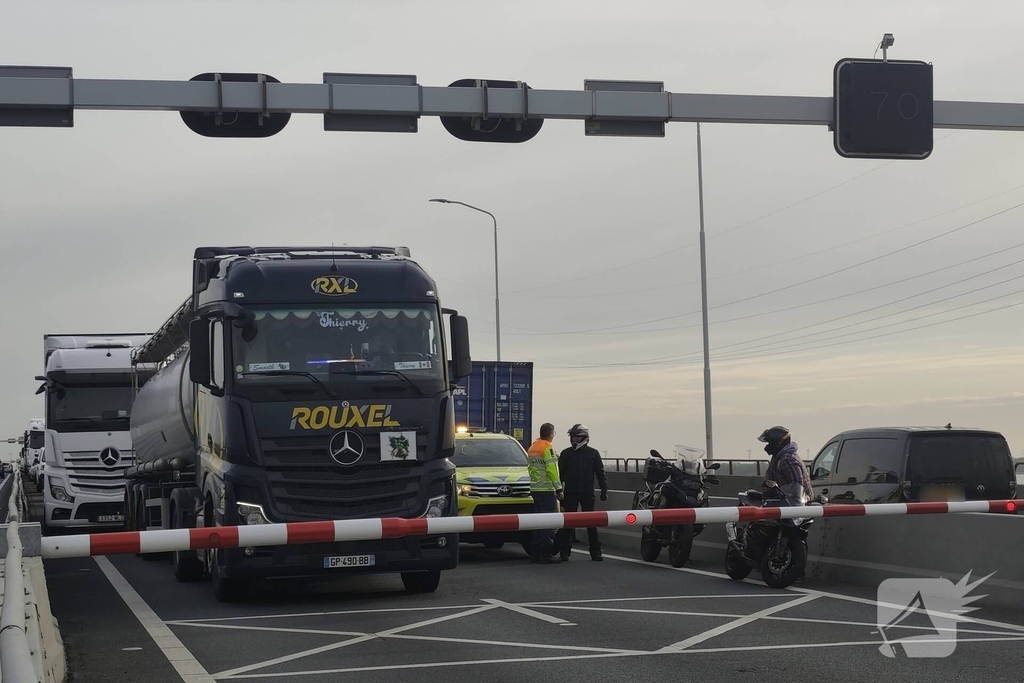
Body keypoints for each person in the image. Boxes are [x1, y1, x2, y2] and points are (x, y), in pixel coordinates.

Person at [553, 424, 608, 561]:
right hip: (570, 492)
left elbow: (600, 473)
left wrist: (604, 490)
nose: (574, 439)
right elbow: (559, 475)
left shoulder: (593, 453)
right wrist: (558, 491)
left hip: (587, 493)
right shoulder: (566, 454)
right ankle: (564, 552)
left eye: (577, 437)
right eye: (572, 436)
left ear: (584, 437)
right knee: (568, 523)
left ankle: (595, 551)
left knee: (591, 523)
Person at [526, 422, 563, 564]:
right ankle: (545, 554)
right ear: (550, 433)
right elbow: (552, 470)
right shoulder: (547, 448)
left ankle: (534, 553)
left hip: (535, 489)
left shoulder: (533, 447)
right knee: (548, 523)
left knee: (537, 522)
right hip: (547, 490)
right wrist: (559, 488)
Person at [758, 426, 813, 501]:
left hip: (796, 505)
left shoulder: (788, 459)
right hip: (784, 502)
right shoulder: (776, 458)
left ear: (776, 442)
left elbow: (797, 490)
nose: (767, 446)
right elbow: (769, 480)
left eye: (769, 443)